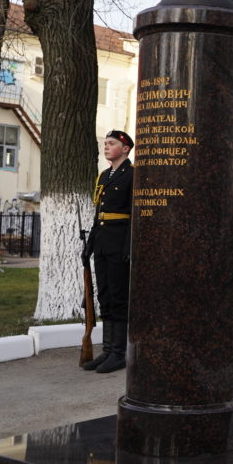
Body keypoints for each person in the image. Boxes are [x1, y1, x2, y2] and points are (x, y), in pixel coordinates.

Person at [81, 130, 135, 374]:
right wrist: (90, 245)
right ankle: (108, 350)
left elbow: (135, 216)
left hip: (119, 242)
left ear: (125, 149)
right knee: (104, 296)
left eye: (111, 144)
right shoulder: (104, 176)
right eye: (105, 144)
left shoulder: (132, 175)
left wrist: (129, 246)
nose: (106, 147)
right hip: (103, 243)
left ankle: (119, 353)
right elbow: (98, 214)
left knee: (118, 296)